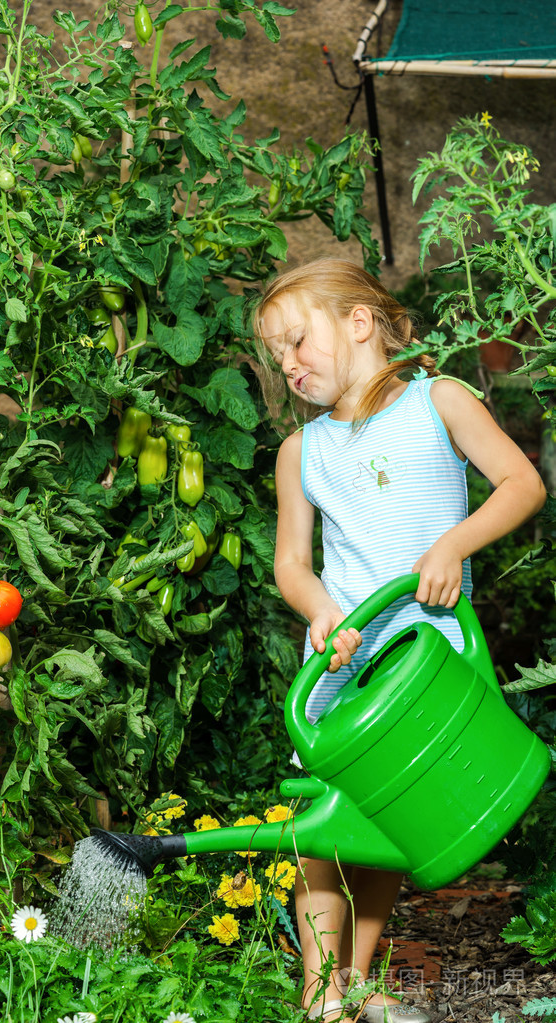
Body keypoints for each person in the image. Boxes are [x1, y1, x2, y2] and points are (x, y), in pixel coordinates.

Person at [252, 258, 546, 1023]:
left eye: (296, 341)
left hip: (428, 664)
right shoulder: (303, 451)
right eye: (277, 354)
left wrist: (454, 545)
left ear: (360, 322)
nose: (288, 364)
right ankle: (320, 992)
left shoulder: (439, 402)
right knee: (328, 825)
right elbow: (291, 563)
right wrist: (320, 610)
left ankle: (353, 980)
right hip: (346, 665)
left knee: (390, 822)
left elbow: (522, 483)